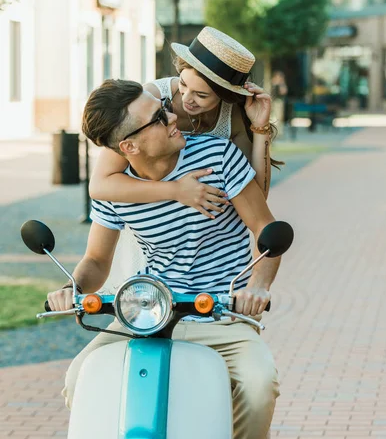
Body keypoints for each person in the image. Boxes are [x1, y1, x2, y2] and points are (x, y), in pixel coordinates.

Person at [49, 78, 281, 439]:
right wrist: (71, 286)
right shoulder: (117, 188)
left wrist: (258, 287)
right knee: (79, 379)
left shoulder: (217, 156)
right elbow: (96, 259)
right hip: (149, 312)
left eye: (164, 109)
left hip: (221, 310)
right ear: (129, 146)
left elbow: (265, 229)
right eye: (158, 117)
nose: (174, 116)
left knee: (259, 385)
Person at [90, 27, 283, 288]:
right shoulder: (153, 98)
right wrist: (177, 191)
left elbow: (255, 196)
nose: (187, 100)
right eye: (183, 84)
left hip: (206, 233)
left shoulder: (232, 117)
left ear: (225, 95)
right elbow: (101, 185)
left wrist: (259, 129)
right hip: (151, 223)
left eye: (202, 95)